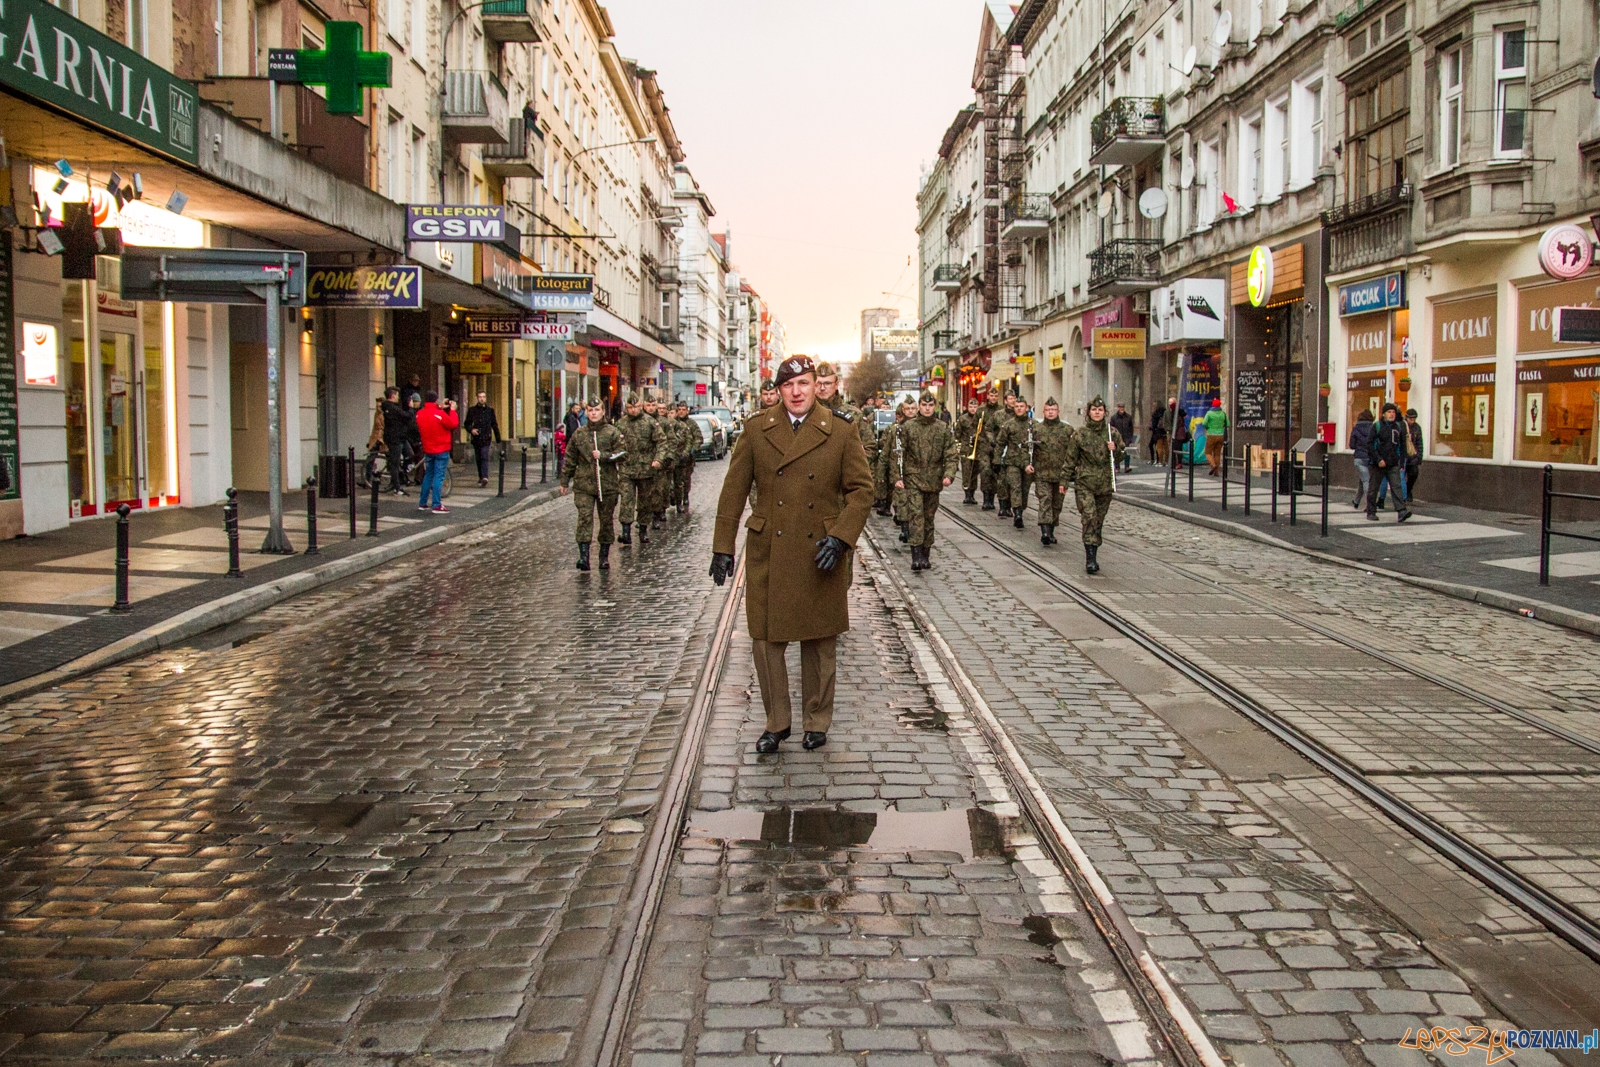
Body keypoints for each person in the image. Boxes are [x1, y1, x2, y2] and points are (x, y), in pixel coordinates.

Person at [710, 355, 874, 754]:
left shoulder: (839, 430)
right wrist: (722, 547)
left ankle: (817, 721)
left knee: (819, 641)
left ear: (816, 385)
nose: (796, 392)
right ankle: (776, 722)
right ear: (779, 390)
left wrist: (840, 537)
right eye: (788, 386)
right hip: (771, 548)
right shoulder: (755, 430)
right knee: (766, 641)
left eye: (803, 383)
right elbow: (733, 491)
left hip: (821, 550)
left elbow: (862, 490)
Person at [891, 392, 960, 571]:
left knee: (929, 518)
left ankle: (925, 554)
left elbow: (951, 454)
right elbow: (898, 454)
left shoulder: (942, 428)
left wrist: (949, 475)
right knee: (916, 515)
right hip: (913, 477)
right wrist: (897, 477)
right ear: (919, 406)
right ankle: (915, 556)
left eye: (930, 406)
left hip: (934, 479)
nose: (927, 409)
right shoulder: (908, 427)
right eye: (924, 405)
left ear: (935, 406)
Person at [559, 399, 624, 571]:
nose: (593, 413)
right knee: (585, 518)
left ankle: (603, 556)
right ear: (586, 412)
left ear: (603, 411)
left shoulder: (612, 432)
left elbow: (623, 453)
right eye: (590, 410)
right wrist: (565, 480)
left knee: (606, 520)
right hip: (584, 485)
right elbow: (570, 458)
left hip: (607, 484)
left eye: (597, 410)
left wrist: (604, 455)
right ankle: (584, 556)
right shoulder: (579, 434)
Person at [1066, 396, 1122, 573]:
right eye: (1094, 410)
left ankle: (1094, 550)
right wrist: (1064, 480)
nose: (1097, 413)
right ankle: (1090, 559)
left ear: (1105, 413)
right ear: (1088, 412)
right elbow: (1070, 458)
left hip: (1105, 484)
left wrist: (1116, 449)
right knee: (1089, 517)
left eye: (1100, 410)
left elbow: (1121, 455)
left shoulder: (1111, 432)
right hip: (1085, 483)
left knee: (1098, 520)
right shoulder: (1080, 433)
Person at [616, 394, 666, 544]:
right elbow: (613, 444)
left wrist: (658, 459)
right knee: (626, 501)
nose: (633, 410)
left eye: (636, 407)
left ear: (641, 406)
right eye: (630, 407)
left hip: (646, 470)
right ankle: (626, 531)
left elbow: (661, 442)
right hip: (626, 469)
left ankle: (643, 530)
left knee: (645, 501)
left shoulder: (650, 422)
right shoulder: (620, 424)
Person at [1029, 398, 1074, 546]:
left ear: (1058, 411)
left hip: (1061, 475)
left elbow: (1075, 450)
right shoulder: (1037, 429)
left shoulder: (1067, 430)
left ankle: (1051, 529)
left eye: (1053, 410)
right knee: (1045, 500)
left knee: (1057, 504)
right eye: (1048, 410)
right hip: (1042, 473)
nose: (1050, 412)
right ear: (1043, 412)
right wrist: (1027, 464)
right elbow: (1027, 449)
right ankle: (1045, 532)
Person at [1367, 402, 1413, 523]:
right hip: (1377, 464)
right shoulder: (1376, 426)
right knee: (1373, 488)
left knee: (1396, 486)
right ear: (1383, 414)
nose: (1392, 414)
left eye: (1393, 412)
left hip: (1393, 463)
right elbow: (1370, 444)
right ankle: (1371, 511)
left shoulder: (1398, 427)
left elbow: (1402, 445)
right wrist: (1378, 459)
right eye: (1389, 412)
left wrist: (1401, 461)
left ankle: (1401, 511)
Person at [995, 393, 1035, 530]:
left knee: (1025, 488)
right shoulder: (1008, 425)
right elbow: (1000, 443)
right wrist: (997, 460)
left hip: (1028, 463)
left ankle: (1021, 508)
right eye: (1017, 406)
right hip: (1012, 461)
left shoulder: (1033, 425)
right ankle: (1017, 514)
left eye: (1021, 406)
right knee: (1015, 487)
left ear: (1026, 408)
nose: (1018, 409)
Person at [414, 391, 459, 514]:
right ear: (436, 400)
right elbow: (453, 424)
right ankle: (436, 504)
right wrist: (453, 410)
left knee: (428, 475)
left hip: (428, 449)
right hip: (441, 449)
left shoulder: (420, 414)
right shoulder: (439, 414)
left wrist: (439, 407)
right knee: (438, 477)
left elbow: (430, 415)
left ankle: (423, 503)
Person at [465, 391, 501, 488]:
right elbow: (466, 423)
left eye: (483, 397)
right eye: (480, 397)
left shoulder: (490, 410)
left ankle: (485, 477)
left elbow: (494, 424)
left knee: (484, 455)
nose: (482, 399)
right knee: (478, 458)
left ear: (485, 398)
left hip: (486, 437)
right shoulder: (472, 410)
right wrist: (471, 430)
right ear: (477, 398)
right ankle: (481, 476)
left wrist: (498, 438)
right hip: (476, 438)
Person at [978, 388, 1006, 512]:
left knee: (996, 474)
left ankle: (992, 498)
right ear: (987, 396)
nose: (993, 398)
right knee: (985, 472)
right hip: (984, 445)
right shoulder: (981, 410)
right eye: (991, 395)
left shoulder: (1001, 411)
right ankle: (985, 499)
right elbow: (976, 426)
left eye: (996, 395)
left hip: (997, 446)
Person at [675, 402, 703, 513]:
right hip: (676, 457)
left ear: (687, 411)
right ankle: (678, 499)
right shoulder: (674, 423)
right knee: (677, 481)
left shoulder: (691, 424)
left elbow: (698, 438)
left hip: (687, 459)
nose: (681, 411)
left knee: (686, 479)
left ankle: (685, 496)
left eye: (683, 409)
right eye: (679, 409)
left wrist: (693, 449)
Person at [954, 397, 982, 504]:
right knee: (966, 472)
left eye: (975, 407)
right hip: (966, 449)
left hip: (977, 449)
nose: (973, 409)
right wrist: (959, 448)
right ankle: (967, 493)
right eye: (971, 407)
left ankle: (972, 494)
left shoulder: (980, 419)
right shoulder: (963, 419)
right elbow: (958, 434)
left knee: (974, 472)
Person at [1348, 408, 1375, 509]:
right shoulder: (1373, 428)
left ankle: (1370, 505)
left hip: (1359, 458)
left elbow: (1352, 445)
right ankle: (1356, 501)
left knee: (1365, 480)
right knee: (1364, 480)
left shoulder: (1356, 428)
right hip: (1370, 457)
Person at [1202, 397, 1228, 476]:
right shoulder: (1223, 413)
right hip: (1221, 435)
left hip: (1211, 435)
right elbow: (1228, 423)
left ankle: (1213, 465)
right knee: (1217, 454)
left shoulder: (1209, 413)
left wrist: (1208, 428)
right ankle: (1216, 472)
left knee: (1208, 452)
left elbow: (1204, 423)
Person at [1404, 407, 1423, 503]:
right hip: (1403, 456)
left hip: (1412, 456)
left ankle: (1408, 490)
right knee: (1401, 476)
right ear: (1406, 417)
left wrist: (1419, 457)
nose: (1412, 421)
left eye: (1414, 419)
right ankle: (1403, 495)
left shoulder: (1417, 427)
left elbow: (1419, 443)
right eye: (1411, 419)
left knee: (1414, 474)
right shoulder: (1402, 426)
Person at [1110, 403, 1136, 474]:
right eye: (1120, 407)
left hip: (1126, 437)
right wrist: (1113, 437)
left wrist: (1130, 438)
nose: (1121, 409)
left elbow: (1131, 428)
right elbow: (1111, 428)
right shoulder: (1114, 417)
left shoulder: (1128, 417)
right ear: (1118, 408)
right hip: (1117, 438)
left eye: (1123, 407)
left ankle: (1126, 467)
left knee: (1126, 452)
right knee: (1116, 452)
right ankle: (1117, 467)